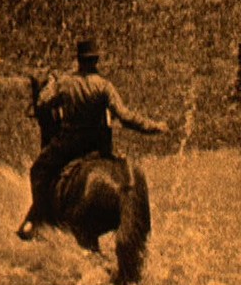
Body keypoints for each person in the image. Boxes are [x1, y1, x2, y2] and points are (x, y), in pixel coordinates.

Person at [18, 38, 168, 240]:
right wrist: (154, 127)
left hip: (69, 146)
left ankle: (41, 219)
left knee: (37, 170)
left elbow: (43, 102)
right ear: (96, 60)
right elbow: (125, 116)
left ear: (79, 60)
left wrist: (53, 82)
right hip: (99, 147)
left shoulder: (66, 84)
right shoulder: (104, 86)